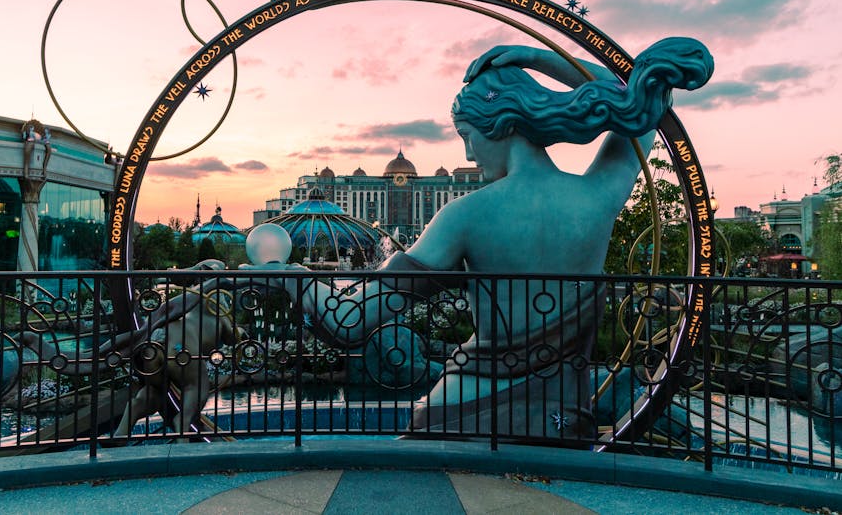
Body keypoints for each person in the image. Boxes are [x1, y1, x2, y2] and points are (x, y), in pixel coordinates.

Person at [273, 38, 713, 441]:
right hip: (560, 417)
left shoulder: (465, 215)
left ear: (500, 122)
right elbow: (640, 98)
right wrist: (538, 58)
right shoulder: (596, 199)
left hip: (462, 407)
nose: (468, 154)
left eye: (468, 136)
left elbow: (348, 322)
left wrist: (285, 274)